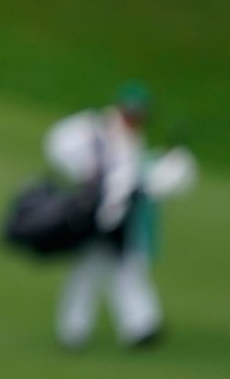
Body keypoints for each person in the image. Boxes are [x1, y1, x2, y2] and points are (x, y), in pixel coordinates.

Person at [43, 82, 197, 350]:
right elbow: (62, 148)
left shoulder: (131, 140)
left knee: (126, 270)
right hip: (95, 217)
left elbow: (135, 176)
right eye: (131, 112)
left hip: (119, 221)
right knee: (86, 273)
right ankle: (74, 331)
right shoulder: (95, 131)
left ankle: (140, 326)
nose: (134, 118)